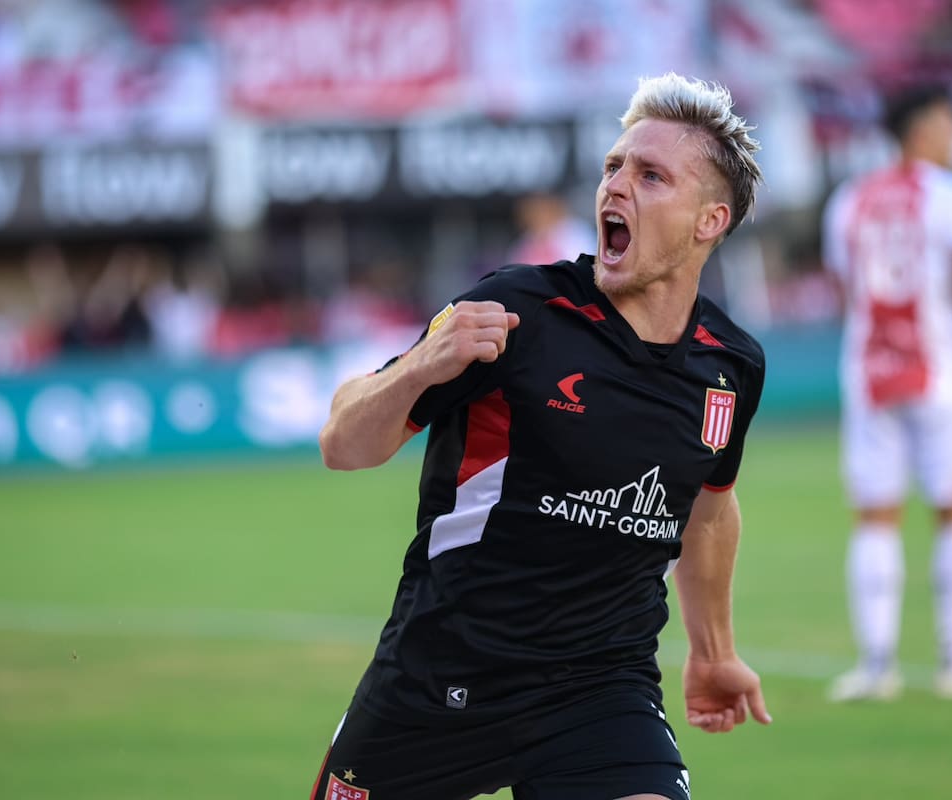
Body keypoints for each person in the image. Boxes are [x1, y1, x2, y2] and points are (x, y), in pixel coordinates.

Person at [312, 73, 771, 800]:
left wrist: (713, 651)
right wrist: (420, 366)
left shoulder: (729, 364)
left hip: (599, 691)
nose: (617, 186)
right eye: (613, 167)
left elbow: (710, 505)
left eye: (651, 176)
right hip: (440, 679)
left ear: (708, 221)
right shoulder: (516, 310)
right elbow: (343, 444)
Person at [821, 85, 952, 702]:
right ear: (921, 130)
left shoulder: (848, 200)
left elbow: (845, 294)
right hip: (943, 372)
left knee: (874, 514)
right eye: (949, 121)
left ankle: (876, 666)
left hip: (868, 372)